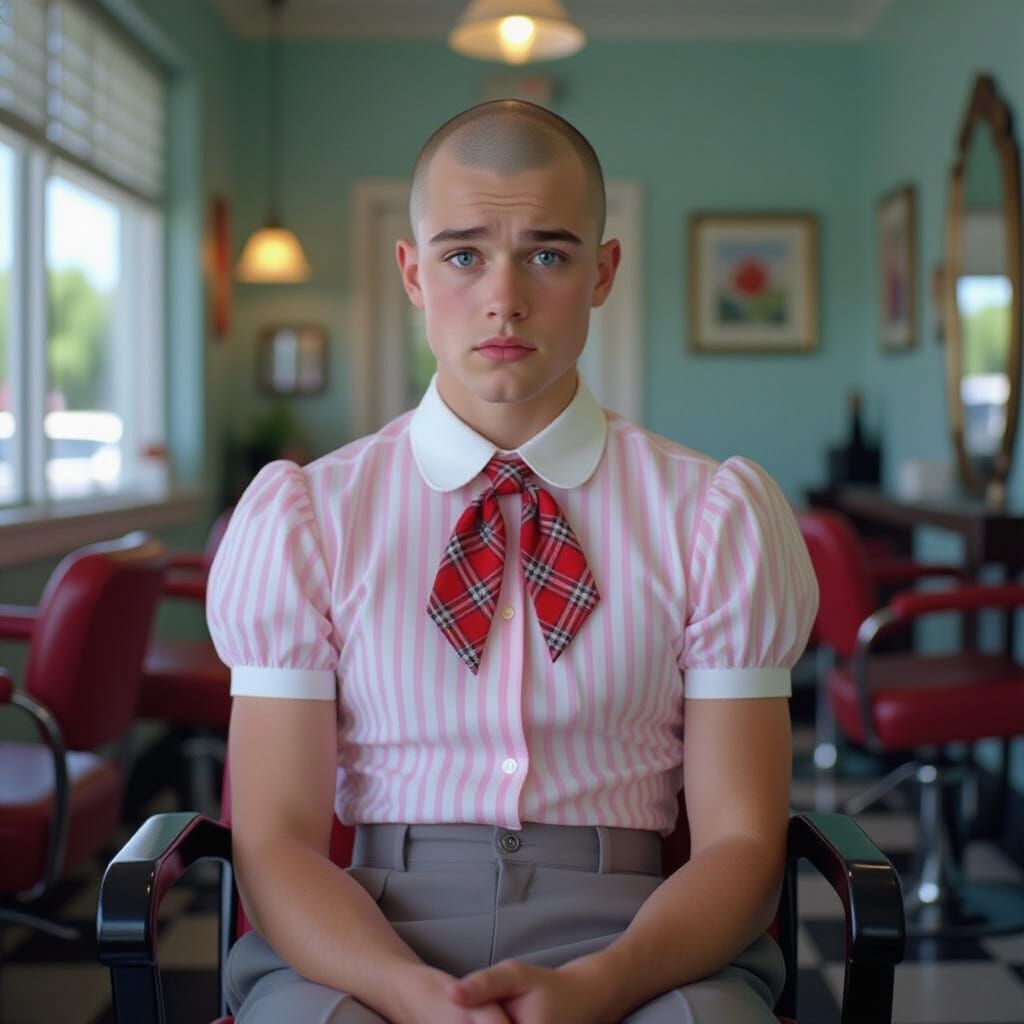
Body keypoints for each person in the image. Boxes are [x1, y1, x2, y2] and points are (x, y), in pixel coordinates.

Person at [207, 98, 818, 1024]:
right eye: (463, 254)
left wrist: (600, 987)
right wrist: (411, 995)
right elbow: (277, 841)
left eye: (547, 252)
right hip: (370, 936)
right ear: (412, 273)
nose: (504, 297)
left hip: (642, 938)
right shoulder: (309, 516)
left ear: (603, 270)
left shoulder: (713, 514)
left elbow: (740, 844)